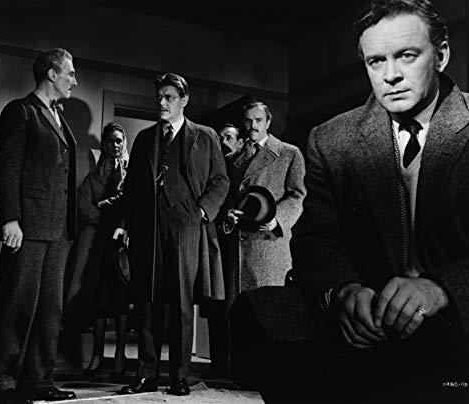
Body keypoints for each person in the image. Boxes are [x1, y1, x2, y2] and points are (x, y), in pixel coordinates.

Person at [234, 1, 469, 402]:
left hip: (454, 319)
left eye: (407, 55)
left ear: (442, 56)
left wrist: (440, 289)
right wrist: (343, 292)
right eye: (376, 61)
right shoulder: (331, 139)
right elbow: (315, 240)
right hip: (369, 321)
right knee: (256, 311)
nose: (391, 75)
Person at [114, 72, 229, 396]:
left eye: (169, 97)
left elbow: (220, 180)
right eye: (159, 97)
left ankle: (178, 375)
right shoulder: (144, 138)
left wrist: (202, 211)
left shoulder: (205, 136)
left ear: (184, 100)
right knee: (147, 301)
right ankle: (146, 374)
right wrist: (126, 225)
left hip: (186, 226)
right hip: (148, 227)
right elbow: (131, 190)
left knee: (181, 303)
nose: (162, 103)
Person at [0, 48, 78, 404]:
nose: (74, 80)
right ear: (51, 73)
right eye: (69, 73)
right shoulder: (21, 111)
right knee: (16, 306)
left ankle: (38, 380)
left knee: (50, 311)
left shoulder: (58, 115)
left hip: (58, 231)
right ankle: (0, 386)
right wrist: (10, 218)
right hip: (29, 226)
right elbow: (6, 167)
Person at [216, 101, 306, 381]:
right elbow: (227, 197)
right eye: (247, 121)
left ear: (268, 122)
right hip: (240, 246)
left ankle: (270, 374)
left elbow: (298, 195)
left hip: (269, 244)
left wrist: (277, 219)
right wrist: (228, 214)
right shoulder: (233, 159)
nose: (252, 126)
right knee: (239, 311)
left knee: (269, 311)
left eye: (257, 120)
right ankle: (241, 370)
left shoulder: (289, 153)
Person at [65, 122, 130, 380]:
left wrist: (109, 209)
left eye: (119, 140)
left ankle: (120, 357)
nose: (115, 145)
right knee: (98, 300)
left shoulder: (130, 173)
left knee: (121, 301)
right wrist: (105, 215)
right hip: (97, 244)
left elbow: (131, 205)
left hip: (121, 244)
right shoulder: (94, 176)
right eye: (111, 141)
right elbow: (83, 206)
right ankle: (97, 355)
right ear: (104, 144)